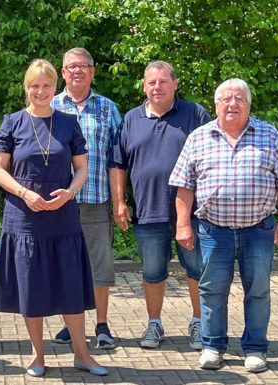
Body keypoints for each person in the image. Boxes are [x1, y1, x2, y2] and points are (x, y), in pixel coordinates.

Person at [170, 78, 278, 373]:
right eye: (226, 99)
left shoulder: (268, 134)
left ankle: (255, 349)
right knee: (212, 291)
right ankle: (213, 347)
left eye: (239, 99)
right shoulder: (198, 137)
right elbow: (184, 186)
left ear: (249, 104)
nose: (232, 104)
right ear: (216, 104)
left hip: (258, 230)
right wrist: (183, 225)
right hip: (213, 231)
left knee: (258, 291)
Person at [0, 59, 107, 377]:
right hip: (24, 218)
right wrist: (24, 193)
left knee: (70, 286)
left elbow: (81, 168)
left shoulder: (68, 123)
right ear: (26, 88)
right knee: (32, 287)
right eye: (34, 86)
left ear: (55, 87)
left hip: (62, 216)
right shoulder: (12, 122)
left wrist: (69, 192)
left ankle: (82, 354)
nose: (40, 91)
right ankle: (37, 355)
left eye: (46, 85)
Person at [110, 61, 211, 350]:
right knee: (153, 272)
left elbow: (212, 155)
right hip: (148, 210)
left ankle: (199, 324)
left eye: (164, 81)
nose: (157, 87)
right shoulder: (131, 119)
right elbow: (117, 164)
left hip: (192, 212)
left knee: (198, 269)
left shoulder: (195, 114)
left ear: (175, 84)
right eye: (152, 82)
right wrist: (119, 202)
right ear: (144, 86)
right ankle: (154, 324)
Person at [50, 47, 123, 350]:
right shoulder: (50, 105)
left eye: (83, 66)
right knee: (64, 264)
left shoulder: (107, 108)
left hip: (96, 198)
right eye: (71, 66)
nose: (77, 71)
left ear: (92, 71)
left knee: (99, 265)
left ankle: (101, 324)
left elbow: (117, 159)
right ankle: (71, 323)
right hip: (57, 202)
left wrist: (119, 201)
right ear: (63, 73)